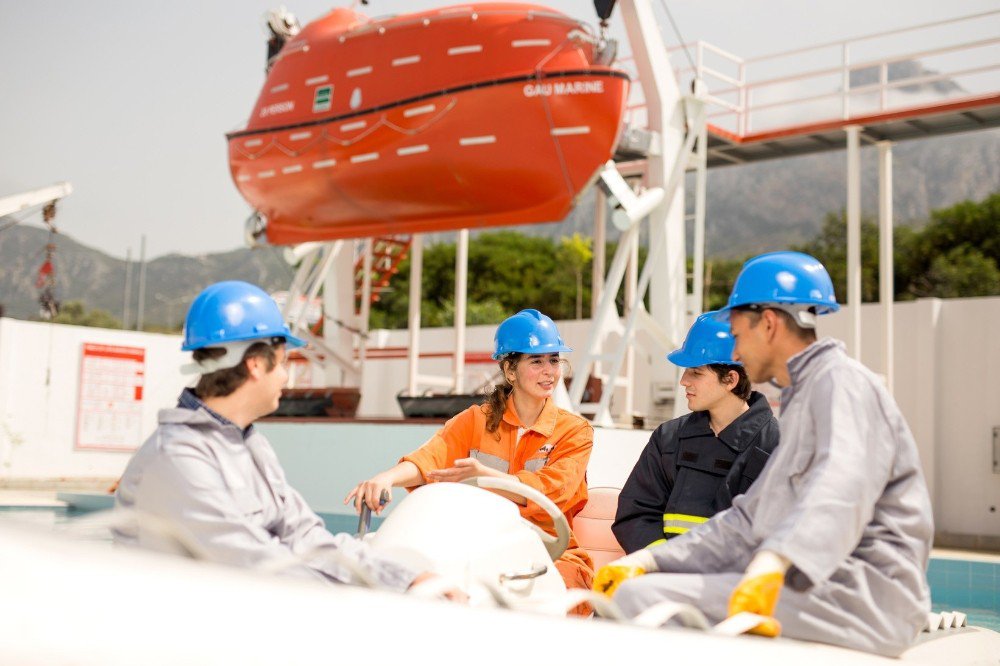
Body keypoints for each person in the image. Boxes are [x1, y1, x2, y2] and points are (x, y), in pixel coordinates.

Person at [593, 251, 933, 657]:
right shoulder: (804, 396)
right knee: (643, 588)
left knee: (641, 601)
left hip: (865, 597)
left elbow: (840, 490)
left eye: (736, 336)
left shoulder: (841, 384)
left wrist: (772, 564)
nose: (735, 351)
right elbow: (751, 518)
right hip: (823, 586)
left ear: (768, 323)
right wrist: (652, 562)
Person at [114, 281, 446, 595]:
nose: (286, 378)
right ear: (256, 364)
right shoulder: (176, 459)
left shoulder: (249, 444)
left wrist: (407, 580)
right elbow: (254, 564)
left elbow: (306, 537)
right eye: (284, 364)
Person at [346, 309, 595, 592]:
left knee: (546, 598)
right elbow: (432, 458)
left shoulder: (575, 431)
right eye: (536, 361)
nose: (549, 371)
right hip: (480, 543)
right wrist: (386, 479)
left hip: (551, 554)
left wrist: (487, 476)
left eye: (554, 360)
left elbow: (554, 490)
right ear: (510, 370)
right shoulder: (475, 420)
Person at [612, 311, 779, 553]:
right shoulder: (669, 438)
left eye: (696, 372)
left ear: (731, 379)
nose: (684, 381)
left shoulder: (775, 445)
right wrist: (664, 564)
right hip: (664, 578)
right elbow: (635, 514)